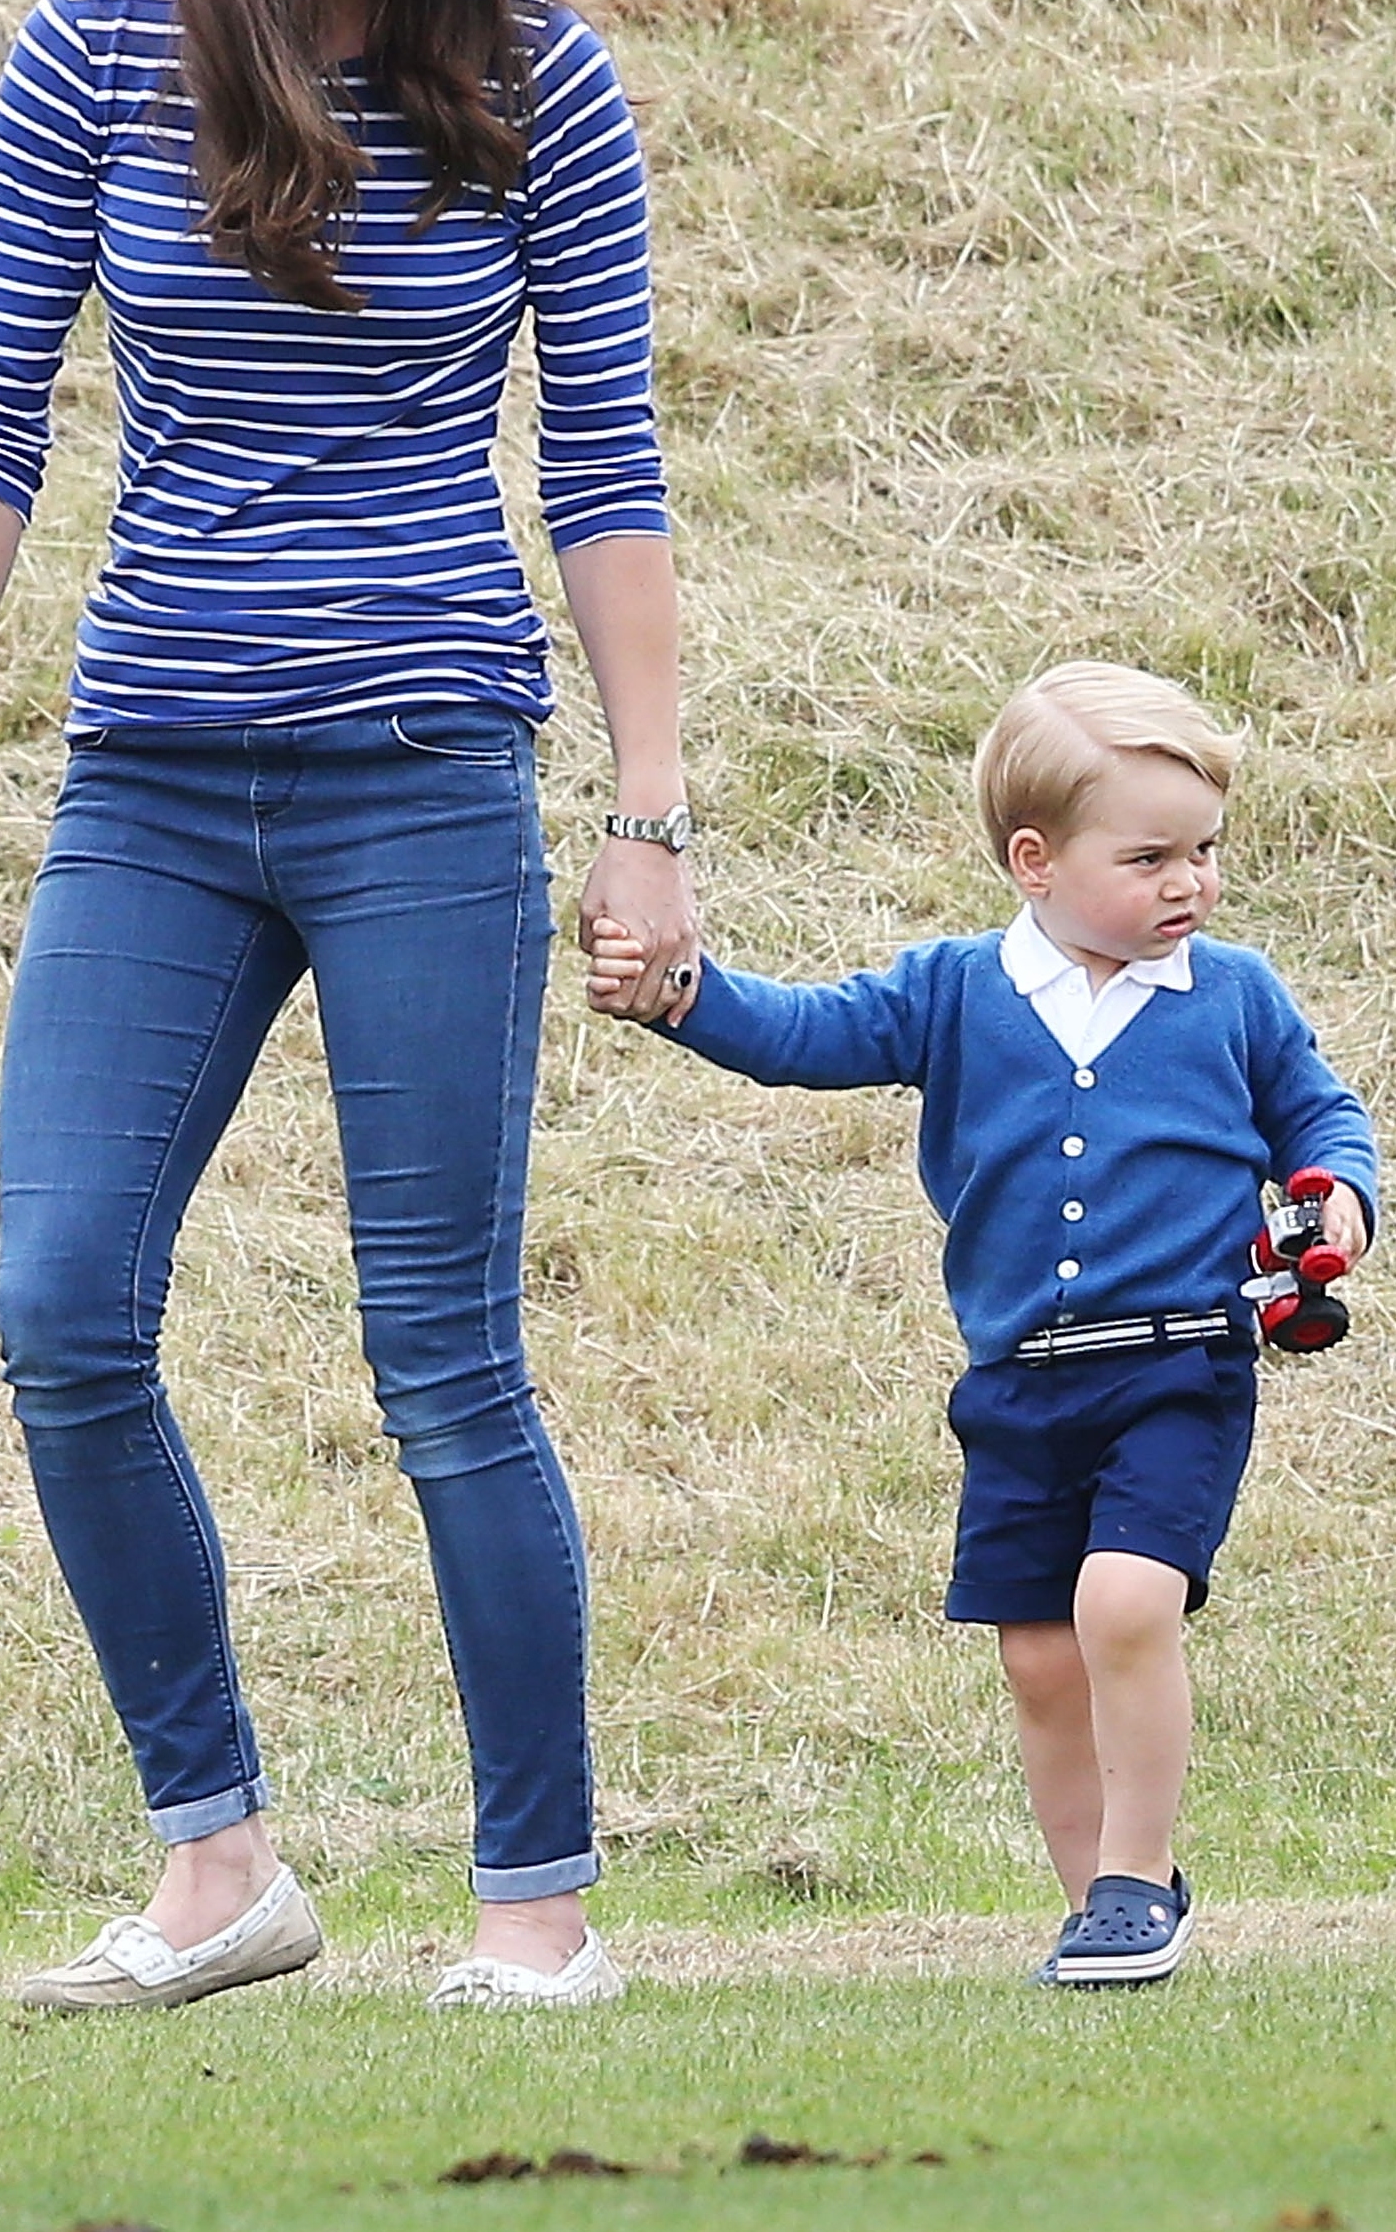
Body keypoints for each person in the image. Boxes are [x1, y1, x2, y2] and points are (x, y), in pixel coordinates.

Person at [0, 0, 700, 2014]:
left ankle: (534, 1912)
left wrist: (650, 807)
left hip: (432, 773)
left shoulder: (543, 77)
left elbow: (610, 469)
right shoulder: (100, 52)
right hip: (147, 776)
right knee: (58, 1308)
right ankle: (219, 1861)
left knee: (439, 1348)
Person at [588, 661, 1376, 1985]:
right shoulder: (952, 990)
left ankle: (1132, 1874)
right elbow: (803, 1035)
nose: (1188, 883)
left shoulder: (1232, 996)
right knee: (1036, 1657)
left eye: (1203, 852)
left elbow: (1322, 1119)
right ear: (1033, 860)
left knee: (1126, 1603)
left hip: (1180, 1364)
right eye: (1148, 858)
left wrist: (1336, 1203)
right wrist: (679, 993)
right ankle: (1103, 1909)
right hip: (1014, 1385)